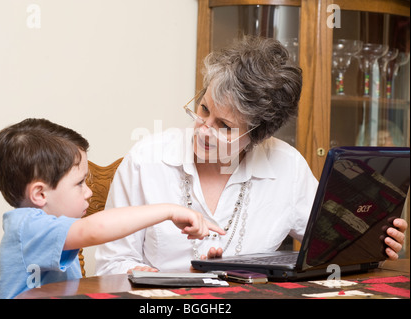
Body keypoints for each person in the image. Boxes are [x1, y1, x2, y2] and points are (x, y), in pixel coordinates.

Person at [95, 36, 408, 275]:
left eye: (225, 127)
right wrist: (156, 281)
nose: (203, 130)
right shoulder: (146, 160)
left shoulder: (287, 167)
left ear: (260, 135)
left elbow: (332, 246)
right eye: (203, 109)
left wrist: (374, 240)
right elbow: (111, 265)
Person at [0, 118, 224, 299]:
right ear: (40, 194)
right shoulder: (27, 227)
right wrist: (168, 211)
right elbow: (95, 228)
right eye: (80, 183)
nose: (88, 192)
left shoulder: (55, 230)